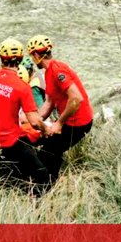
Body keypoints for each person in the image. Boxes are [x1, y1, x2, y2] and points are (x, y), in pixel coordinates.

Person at [0, 39, 50, 194]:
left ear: (1, 59)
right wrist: (45, 129)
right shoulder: (22, 86)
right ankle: (37, 211)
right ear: (20, 60)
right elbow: (34, 121)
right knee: (42, 174)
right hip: (10, 142)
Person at [27, 34, 93, 184]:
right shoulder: (49, 72)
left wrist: (59, 123)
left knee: (47, 153)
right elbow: (49, 103)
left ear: (37, 55)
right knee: (51, 149)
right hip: (70, 121)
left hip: (78, 123)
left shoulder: (57, 70)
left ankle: (45, 188)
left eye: (32, 56)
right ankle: (51, 183)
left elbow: (76, 98)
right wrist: (34, 119)